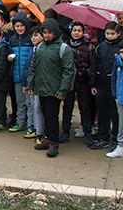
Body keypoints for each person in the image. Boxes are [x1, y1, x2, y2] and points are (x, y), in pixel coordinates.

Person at [26, 19, 75, 158]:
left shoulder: (63, 49)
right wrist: (30, 84)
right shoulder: (40, 47)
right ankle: (47, 138)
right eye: (44, 32)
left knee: (52, 115)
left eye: (49, 33)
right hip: (41, 88)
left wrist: (63, 90)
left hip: (55, 90)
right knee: (44, 114)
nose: (47, 35)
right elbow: (33, 66)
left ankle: (54, 142)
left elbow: (68, 71)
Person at [89, 21, 123, 150]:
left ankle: (115, 139)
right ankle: (103, 136)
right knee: (102, 112)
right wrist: (93, 83)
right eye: (107, 33)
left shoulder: (121, 47)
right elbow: (94, 65)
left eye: (112, 33)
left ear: (118, 34)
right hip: (101, 84)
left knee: (115, 114)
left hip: (115, 86)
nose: (109, 36)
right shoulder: (100, 47)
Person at [65, 22, 97, 146]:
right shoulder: (66, 45)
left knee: (85, 107)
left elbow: (93, 64)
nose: (76, 32)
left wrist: (86, 74)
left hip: (83, 80)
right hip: (68, 80)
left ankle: (87, 132)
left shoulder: (89, 47)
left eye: (79, 30)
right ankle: (66, 130)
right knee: (67, 106)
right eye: (74, 30)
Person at [7, 13, 34, 134]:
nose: (19, 28)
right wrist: (9, 58)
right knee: (20, 102)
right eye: (17, 26)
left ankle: (31, 124)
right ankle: (20, 122)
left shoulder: (30, 39)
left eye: (22, 25)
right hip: (17, 76)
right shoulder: (12, 40)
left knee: (30, 102)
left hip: (29, 77)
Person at [26, 27, 45, 141]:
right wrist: (26, 83)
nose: (33, 38)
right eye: (32, 36)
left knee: (38, 108)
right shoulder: (32, 50)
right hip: (31, 83)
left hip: (40, 84)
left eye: (36, 35)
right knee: (31, 106)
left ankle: (40, 131)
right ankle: (33, 128)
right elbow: (28, 69)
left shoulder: (42, 50)